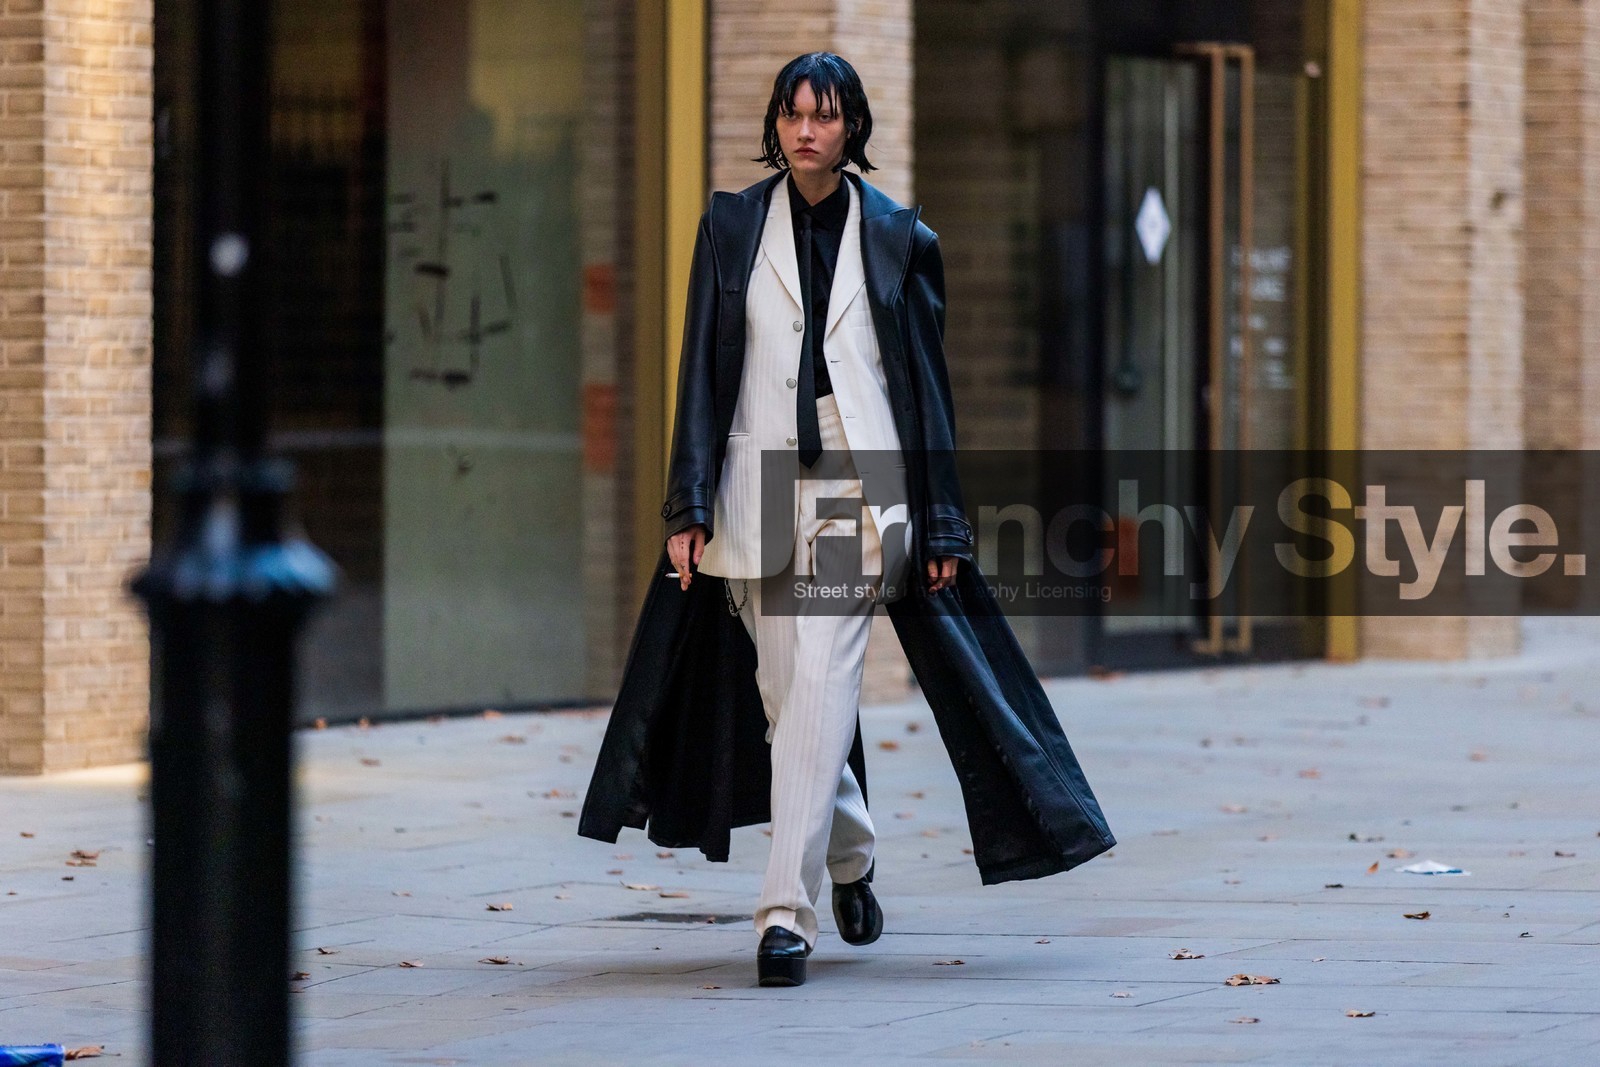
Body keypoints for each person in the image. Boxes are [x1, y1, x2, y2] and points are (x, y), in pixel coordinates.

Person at [579, 52, 1115, 989]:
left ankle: (785, 915)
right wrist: (687, 503)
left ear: (852, 127)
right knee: (790, 699)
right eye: (791, 114)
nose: (805, 131)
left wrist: (943, 524)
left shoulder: (900, 236)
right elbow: (700, 373)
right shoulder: (731, 223)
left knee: (820, 675)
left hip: (855, 484)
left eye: (823, 116)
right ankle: (853, 854)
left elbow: (926, 394)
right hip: (758, 477)